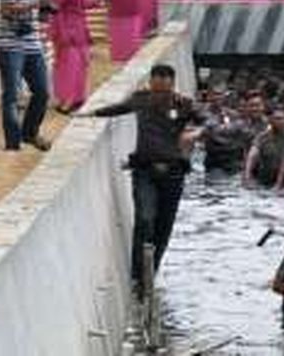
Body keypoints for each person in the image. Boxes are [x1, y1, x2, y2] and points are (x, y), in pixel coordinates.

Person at [79, 64, 204, 294]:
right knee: (145, 219)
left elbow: (206, 121)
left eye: (164, 91)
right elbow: (118, 109)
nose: (160, 95)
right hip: (144, 171)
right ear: (151, 84)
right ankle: (137, 276)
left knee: (163, 227)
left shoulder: (183, 105)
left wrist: (193, 130)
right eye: (156, 89)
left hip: (173, 174)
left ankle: (150, 274)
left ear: (172, 85)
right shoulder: (141, 100)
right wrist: (91, 113)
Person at [0, 0, 51, 151]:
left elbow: (30, 8)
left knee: (42, 91)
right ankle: (13, 143)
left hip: (31, 44)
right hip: (11, 46)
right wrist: (36, 2)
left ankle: (29, 133)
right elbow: (7, 8)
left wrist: (44, 8)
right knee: (12, 96)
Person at [49, 0, 102, 114]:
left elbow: (81, 1)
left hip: (79, 27)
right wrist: (61, 31)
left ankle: (77, 98)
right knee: (68, 64)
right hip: (67, 27)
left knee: (80, 63)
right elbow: (55, 8)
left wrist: (95, 2)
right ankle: (65, 101)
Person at [244, 108, 284, 189]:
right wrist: (247, 177)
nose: (280, 121)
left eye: (283, 119)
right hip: (265, 177)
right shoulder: (262, 137)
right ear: (270, 121)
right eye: (277, 119)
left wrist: (278, 184)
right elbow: (252, 156)